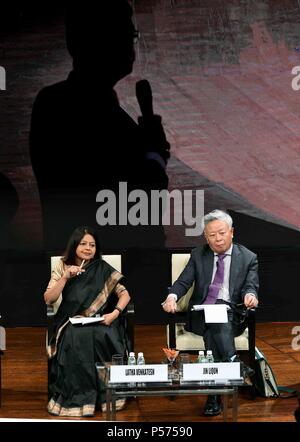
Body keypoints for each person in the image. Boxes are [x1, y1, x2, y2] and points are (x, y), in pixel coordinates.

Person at [29, 0, 170, 251]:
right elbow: (141, 198)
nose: (131, 44)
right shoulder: (79, 109)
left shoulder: (54, 102)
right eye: (125, 35)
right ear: (97, 41)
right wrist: (154, 154)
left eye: (132, 35)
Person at [162, 209, 259, 417]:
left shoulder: (248, 257)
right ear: (205, 236)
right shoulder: (198, 254)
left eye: (221, 233)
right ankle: (234, 363)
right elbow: (183, 282)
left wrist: (251, 296)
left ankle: (213, 397)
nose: (217, 238)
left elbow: (251, 286)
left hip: (232, 316)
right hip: (201, 314)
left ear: (232, 232)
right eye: (212, 235)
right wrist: (172, 297)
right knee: (215, 321)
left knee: (215, 328)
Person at [45, 226, 131, 417]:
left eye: (92, 245)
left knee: (102, 335)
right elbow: (49, 299)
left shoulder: (102, 267)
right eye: (83, 244)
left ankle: (106, 396)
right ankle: (79, 398)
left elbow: (125, 294)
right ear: (74, 245)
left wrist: (115, 313)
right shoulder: (61, 266)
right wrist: (66, 277)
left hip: (102, 320)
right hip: (71, 322)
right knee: (77, 338)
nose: (88, 248)